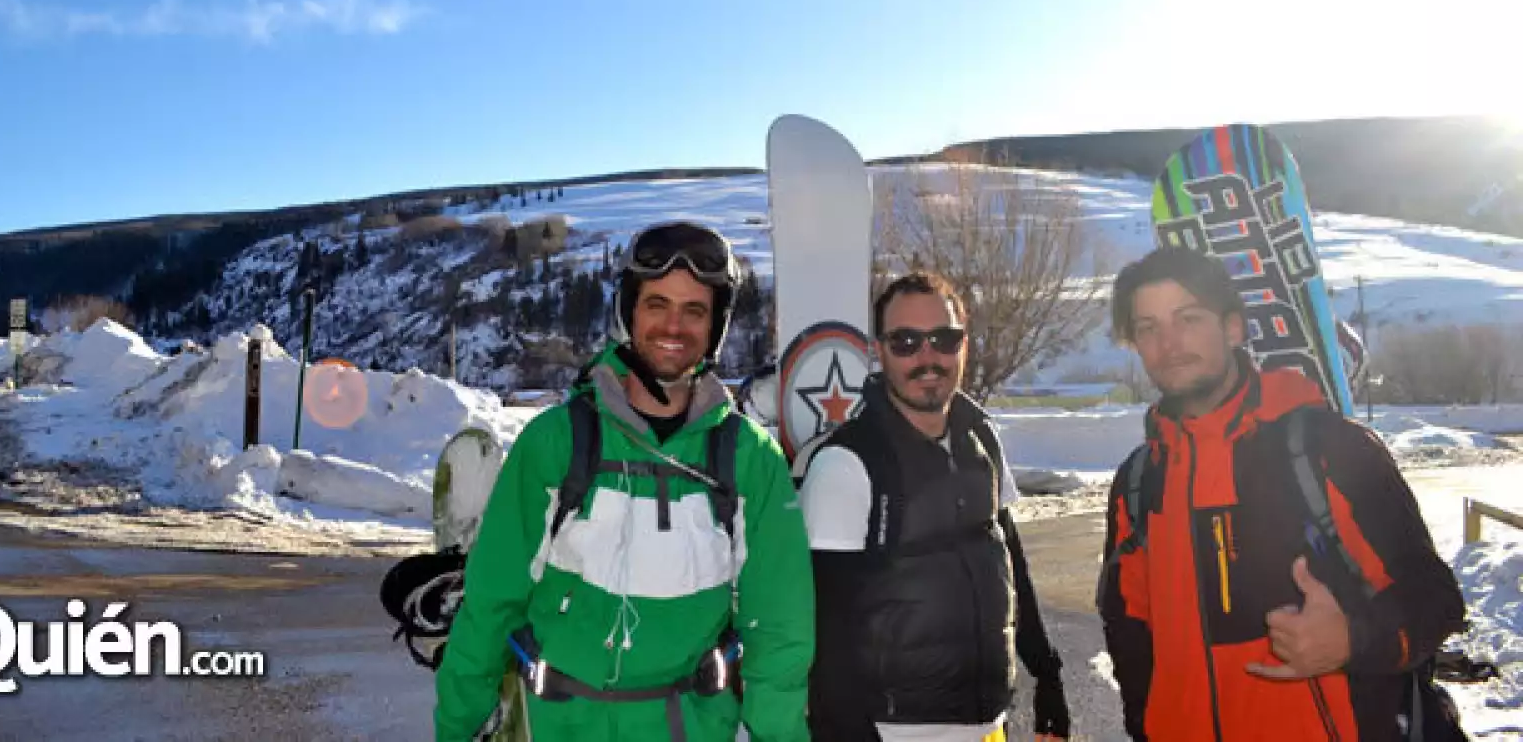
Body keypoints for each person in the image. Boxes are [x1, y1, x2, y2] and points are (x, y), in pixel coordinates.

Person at [433, 221, 815, 742]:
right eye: (657, 304)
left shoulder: (749, 460)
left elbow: (778, 628)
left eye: (694, 310)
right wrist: (456, 726)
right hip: (561, 726)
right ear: (629, 311)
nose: (673, 326)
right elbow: (492, 603)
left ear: (716, 326)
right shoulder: (556, 443)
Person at [1097, 246, 1467, 742]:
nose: (1169, 342)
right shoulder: (1138, 482)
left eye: (1188, 318)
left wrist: (1351, 639)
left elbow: (1435, 598)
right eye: (1148, 327)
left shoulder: (1328, 449)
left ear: (1233, 328)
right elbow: (1129, 630)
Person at [797, 271, 1071, 742]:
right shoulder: (845, 464)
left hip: (988, 724)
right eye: (906, 341)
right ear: (880, 351)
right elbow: (823, 637)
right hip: (896, 731)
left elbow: (1009, 564)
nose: (927, 358)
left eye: (944, 339)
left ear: (964, 345)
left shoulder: (981, 439)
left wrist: (1047, 675)